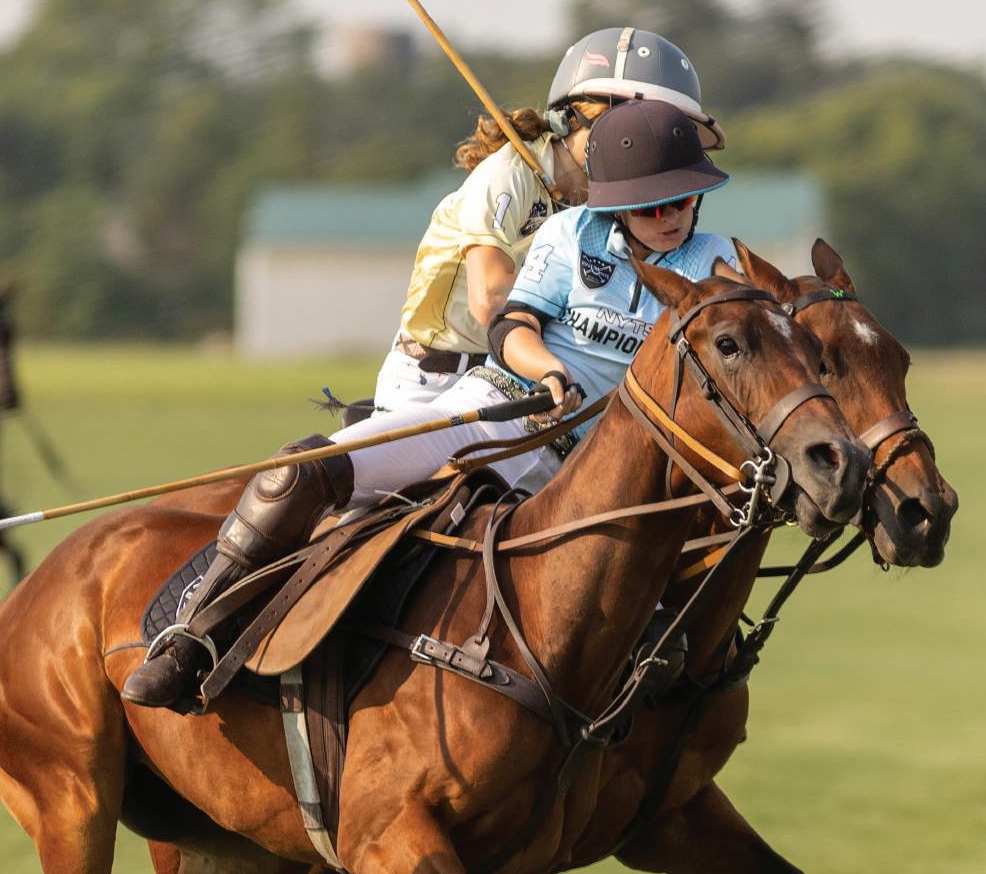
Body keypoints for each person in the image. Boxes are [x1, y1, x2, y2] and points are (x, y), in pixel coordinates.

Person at [124, 99, 735, 710]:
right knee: (303, 471)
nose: (668, 218)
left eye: (681, 202)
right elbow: (512, 325)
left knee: (665, 645)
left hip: (595, 473)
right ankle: (190, 638)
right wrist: (549, 370)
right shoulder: (570, 234)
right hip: (493, 417)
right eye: (649, 206)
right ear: (615, 204)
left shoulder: (718, 262)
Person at [373, 27, 725, 410]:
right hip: (435, 380)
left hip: (531, 377)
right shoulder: (509, 173)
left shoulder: (616, 203)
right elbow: (489, 300)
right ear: (587, 115)